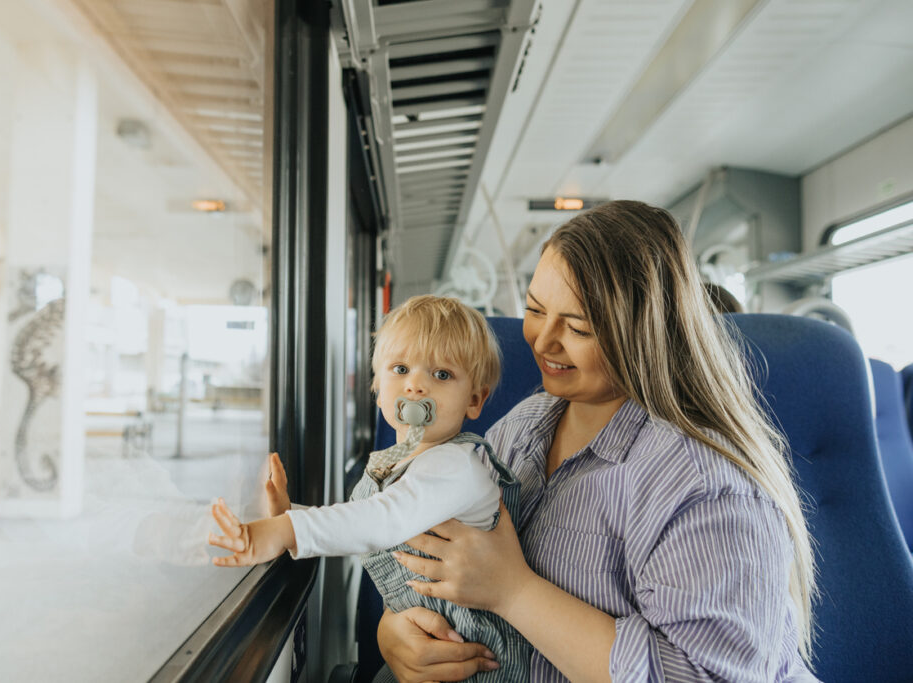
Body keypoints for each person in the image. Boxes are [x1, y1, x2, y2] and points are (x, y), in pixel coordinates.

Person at [377, 200, 818, 682]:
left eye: (578, 327)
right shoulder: (525, 426)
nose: (543, 341)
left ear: (641, 335)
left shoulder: (707, 485)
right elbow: (445, 558)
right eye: (534, 309)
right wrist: (397, 632)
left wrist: (515, 592)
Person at [208, 295, 529, 681]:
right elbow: (367, 525)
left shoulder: (455, 465)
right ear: (378, 387)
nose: (416, 386)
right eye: (400, 369)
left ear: (475, 400)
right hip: (434, 645)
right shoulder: (402, 461)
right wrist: (292, 514)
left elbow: (381, 521)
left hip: (473, 661)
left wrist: (284, 531)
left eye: (441, 375)